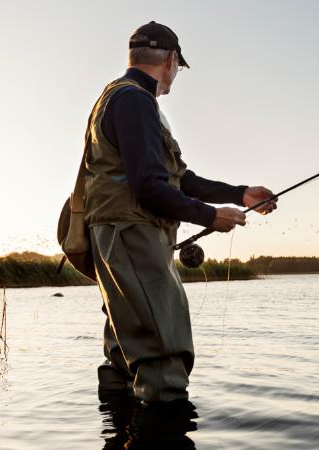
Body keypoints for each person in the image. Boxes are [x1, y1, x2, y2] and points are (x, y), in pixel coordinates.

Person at [83, 21, 277, 404]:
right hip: (133, 236)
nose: (175, 74)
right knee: (163, 355)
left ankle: (119, 429)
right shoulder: (136, 101)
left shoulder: (117, 96)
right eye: (178, 67)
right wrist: (210, 217)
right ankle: (161, 430)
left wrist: (240, 195)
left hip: (116, 236)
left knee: (123, 352)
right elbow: (148, 186)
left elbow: (179, 178)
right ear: (171, 59)